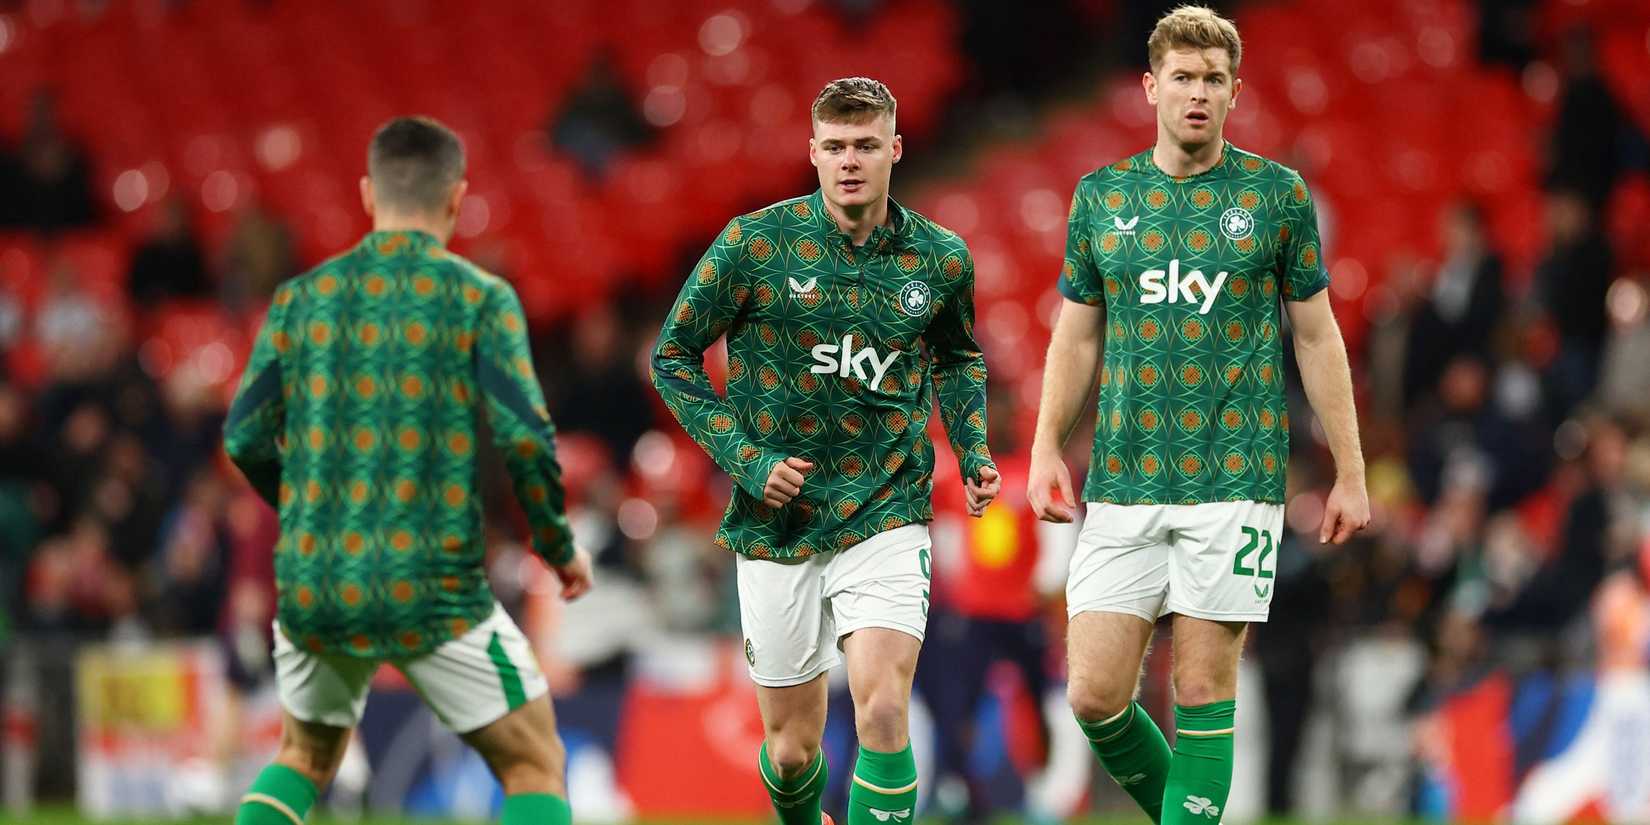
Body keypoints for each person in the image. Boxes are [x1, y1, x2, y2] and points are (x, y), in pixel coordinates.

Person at [1024, 8, 1371, 824]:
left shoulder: (1276, 196)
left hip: (1234, 474)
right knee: (1094, 693)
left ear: (1234, 93)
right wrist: (1045, 446)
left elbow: (1316, 334)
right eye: (1182, 76)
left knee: (1202, 685)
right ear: (1151, 87)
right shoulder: (1102, 197)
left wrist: (1350, 469)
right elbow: (1076, 334)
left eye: (1214, 79)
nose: (1198, 93)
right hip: (1124, 476)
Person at [223, 116, 593, 825]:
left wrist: (305, 512)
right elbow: (524, 438)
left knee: (303, 757)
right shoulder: (479, 297)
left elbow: (244, 436)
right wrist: (555, 544)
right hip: (427, 578)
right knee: (533, 762)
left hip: (316, 574)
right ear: (456, 198)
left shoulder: (299, 299)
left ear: (368, 194)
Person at [651, 77, 1000, 825]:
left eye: (866, 146)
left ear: (895, 150)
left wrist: (972, 448)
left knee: (883, 709)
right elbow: (672, 356)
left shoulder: (940, 258)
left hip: (886, 507)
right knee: (791, 751)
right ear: (812, 152)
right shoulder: (753, 244)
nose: (850, 161)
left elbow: (958, 358)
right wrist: (747, 460)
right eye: (835, 146)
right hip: (778, 523)